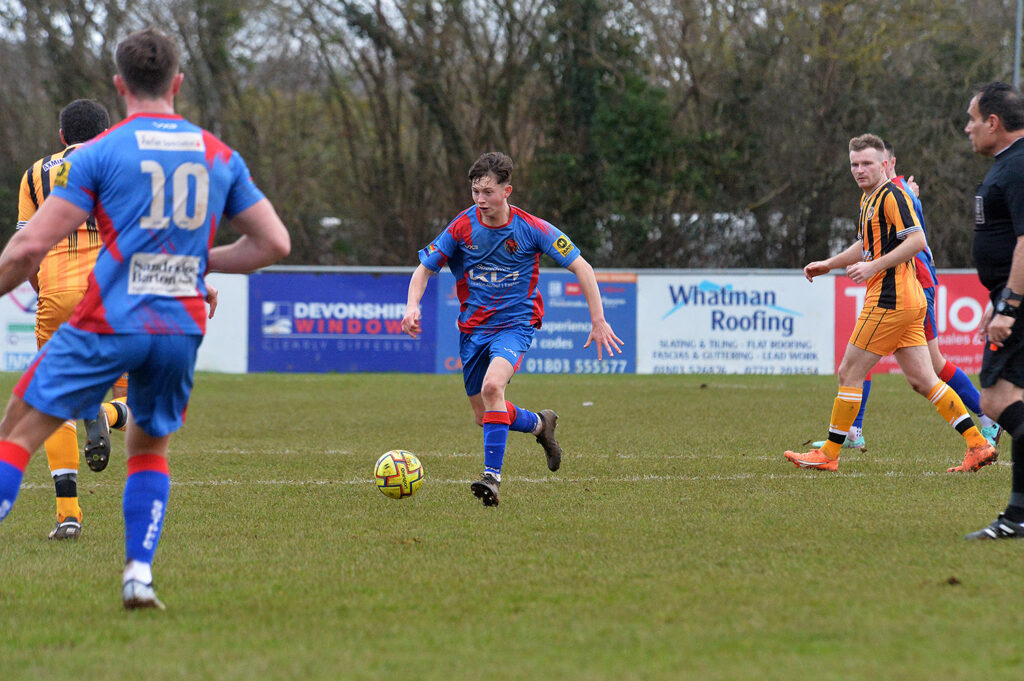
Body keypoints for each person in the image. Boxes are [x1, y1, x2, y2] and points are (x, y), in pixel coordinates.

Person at [0, 28, 290, 607]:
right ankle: (138, 576)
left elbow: (28, 249)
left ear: (120, 85)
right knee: (149, 449)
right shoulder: (217, 153)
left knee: (18, 429)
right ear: (178, 83)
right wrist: (194, 260)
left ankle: (74, 508)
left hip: (108, 318)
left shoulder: (103, 153)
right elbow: (273, 244)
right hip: (179, 330)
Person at [401, 151, 622, 506]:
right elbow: (424, 268)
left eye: (488, 192)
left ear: (507, 191)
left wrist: (598, 320)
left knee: (493, 388)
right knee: (483, 415)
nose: (480, 200)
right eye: (475, 192)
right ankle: (539, 424)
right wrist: (412, 305)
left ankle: (492, 478)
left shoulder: (532, 228)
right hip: (473, 331)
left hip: (516, 325)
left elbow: (582, 266)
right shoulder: (462, 226)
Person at [785, 134, 995, 472]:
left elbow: (916, 241)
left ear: (885, 163)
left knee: (849, 371)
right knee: (924, 380)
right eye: (854, 164)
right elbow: (868, 245)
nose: (859, 170)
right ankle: (978, 443)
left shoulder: (893, 195)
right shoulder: (869, 198)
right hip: (908, 301)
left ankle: (829, 453)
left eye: (867, 163)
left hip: (890, 299)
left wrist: (873, 266)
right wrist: (828, 264)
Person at [17, 98, 134, 540]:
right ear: (106, 133)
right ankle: (103, 411)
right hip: (111, 297)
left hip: (57, 296)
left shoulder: (34, 174)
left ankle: (69, 514)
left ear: (63, 136)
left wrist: (45, 291)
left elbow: (26, 249)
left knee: (54, 404)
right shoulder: (122, 163)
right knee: (137, 403)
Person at [961, 82, 1024, 539]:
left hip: (1020, 303)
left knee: (996, 400)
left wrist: (1011, 305)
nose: (968, 128)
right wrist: (998, 298)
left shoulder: (1019, 166)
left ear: (994, 123)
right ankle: (1018, 516)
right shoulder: (1010, 164)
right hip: (1008, 296)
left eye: (972, 119)